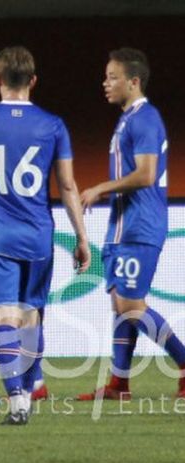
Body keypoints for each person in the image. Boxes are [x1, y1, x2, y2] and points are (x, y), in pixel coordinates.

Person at [0, 46, 90, 424]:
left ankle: (17, 401)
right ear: (33, 81)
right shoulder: (53, 125)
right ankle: (29, 388)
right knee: (31, 318)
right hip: (39, 235)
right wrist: (82, 238)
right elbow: (68, 185)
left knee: (5, 318)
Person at [77, 48, 185, 401]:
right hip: (124, 225)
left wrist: (100, 188)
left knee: (130, 305)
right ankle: (119, 384)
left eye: (113, 77)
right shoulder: (127, 119)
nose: (105, 83)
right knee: (120, 305)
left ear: (133, 81)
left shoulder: (145, 118)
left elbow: (147, 173)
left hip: (141, 225)